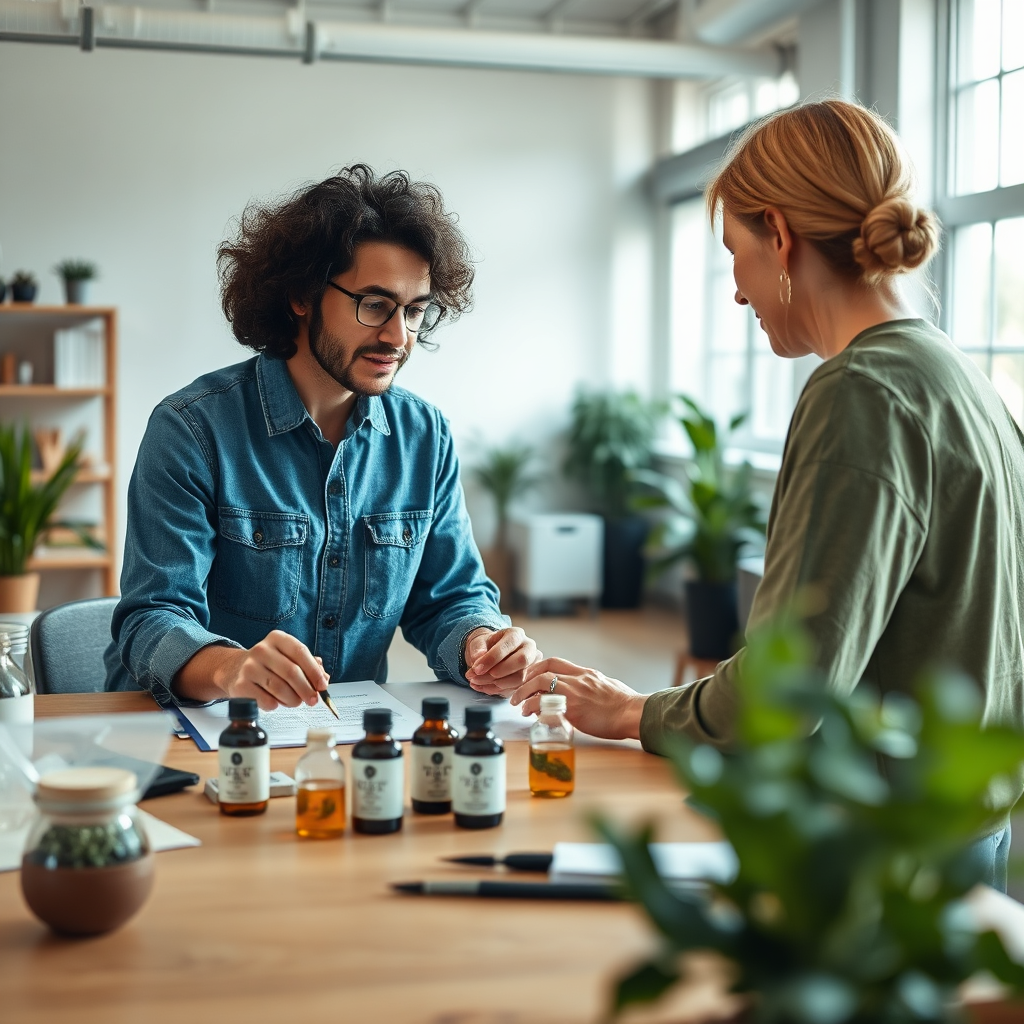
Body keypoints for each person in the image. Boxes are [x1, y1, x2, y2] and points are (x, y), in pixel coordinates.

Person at [510, 100, 1024, 884]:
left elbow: (787, 693)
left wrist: (632, 711)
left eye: (736, 255)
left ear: (780, 237)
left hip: (877, 848)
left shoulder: (860, 391)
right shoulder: (961, 381)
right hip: (965, 823)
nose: (741, 295)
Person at [106, 165, 539, 709]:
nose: (398, 337)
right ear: (301, 295)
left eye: (415, 311)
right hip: (183, 731)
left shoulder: (424, 436)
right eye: (375, 305)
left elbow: (450, 597)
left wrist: (482, 643)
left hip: (345, 740)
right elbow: (152, 618)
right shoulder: (191, 429)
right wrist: (231, 668)